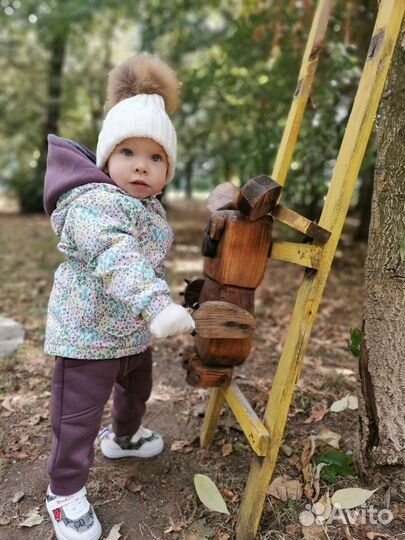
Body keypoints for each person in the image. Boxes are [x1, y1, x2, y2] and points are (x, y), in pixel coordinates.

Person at [43, 53, 195, 540]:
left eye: (156, 158)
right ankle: (63, 493)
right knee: (78, 417)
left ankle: (126, 438)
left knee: (135, 392)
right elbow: (117, 257)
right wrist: (157, 306)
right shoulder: (96, 203)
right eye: (128, 153)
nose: (141, 167)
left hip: (129, 334)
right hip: (87, 337)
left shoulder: (146, 207)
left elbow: (145, 259)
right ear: (107, 156)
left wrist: (159, 307)